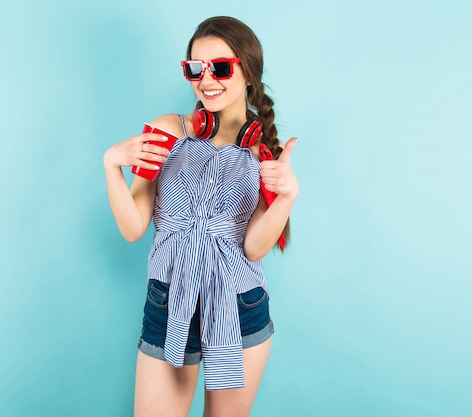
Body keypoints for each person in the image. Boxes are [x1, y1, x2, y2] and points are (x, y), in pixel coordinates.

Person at [103, 16, 299, 417]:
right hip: (169, 303)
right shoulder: (165, 132)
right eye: (195, 68)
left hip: (239, 308)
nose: (206, 79)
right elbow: (133, 227)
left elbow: (254, 247)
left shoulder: (264, 154)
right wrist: (111, 165)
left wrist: (286, 197)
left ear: (248, 74)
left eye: (221, 67)